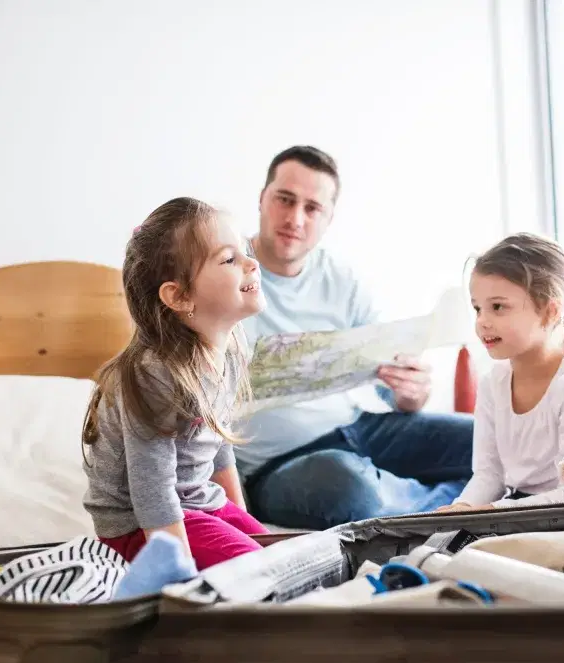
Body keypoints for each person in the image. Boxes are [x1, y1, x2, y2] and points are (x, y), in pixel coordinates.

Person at [236, 145, 474, 530]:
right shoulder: (225, 272)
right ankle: (458, 504)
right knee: (352, 489)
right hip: (279, 463)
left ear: (328, 218)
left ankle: (423, 500)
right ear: (263, 199)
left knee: (486, 441)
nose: (295, 218)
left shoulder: (342, 279)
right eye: (284, 199)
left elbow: (388, 387)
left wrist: (409, 393)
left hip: (360, 428)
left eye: (312, 208)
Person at [82, 197, 270, 570]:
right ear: (180, 296)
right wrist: (182, 577)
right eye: (230, 259)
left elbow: (216, 447)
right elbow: (151, 491)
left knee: (285, 557)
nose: (253, 264)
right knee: (260, 572)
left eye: (245, 252)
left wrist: (247, 529)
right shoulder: (156, 374)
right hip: (137, 525)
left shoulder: (230, 348)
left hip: (197, 502)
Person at [435, 233, 564, 512]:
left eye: (498, 307)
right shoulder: (493, 383)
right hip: (514, 510)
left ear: (550, 311)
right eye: (477, 308)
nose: (482, 321)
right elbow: (489, 475)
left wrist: (492, 513)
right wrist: (461, 507)